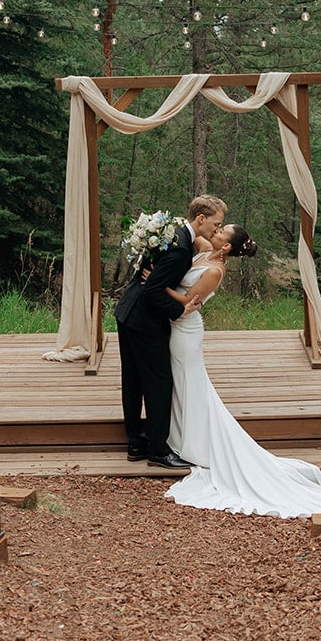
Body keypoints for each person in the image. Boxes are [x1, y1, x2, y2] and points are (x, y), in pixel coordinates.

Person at [161, 223, 321, 517]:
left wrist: (158, 285)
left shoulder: (214, 271)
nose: (218, 229)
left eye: (222, 230)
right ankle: (180, 435)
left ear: (226, 247)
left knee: (191, 383)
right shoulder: (203, 250)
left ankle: (195, 444)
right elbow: (191, 232)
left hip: (186, 330)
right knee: (184, 383)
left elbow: (188, 302)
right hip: (174, 328)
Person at [112, 194, 225, 470]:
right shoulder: (180, 247)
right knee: (159, 383)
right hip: (145, 320)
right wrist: (180, 310)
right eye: (216, 223)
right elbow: (152, 291)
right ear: (201, 219)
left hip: (127, 312)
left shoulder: (174, 232)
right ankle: (158, 450)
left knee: (133, 380)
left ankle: (136, 443)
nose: (216, 229)